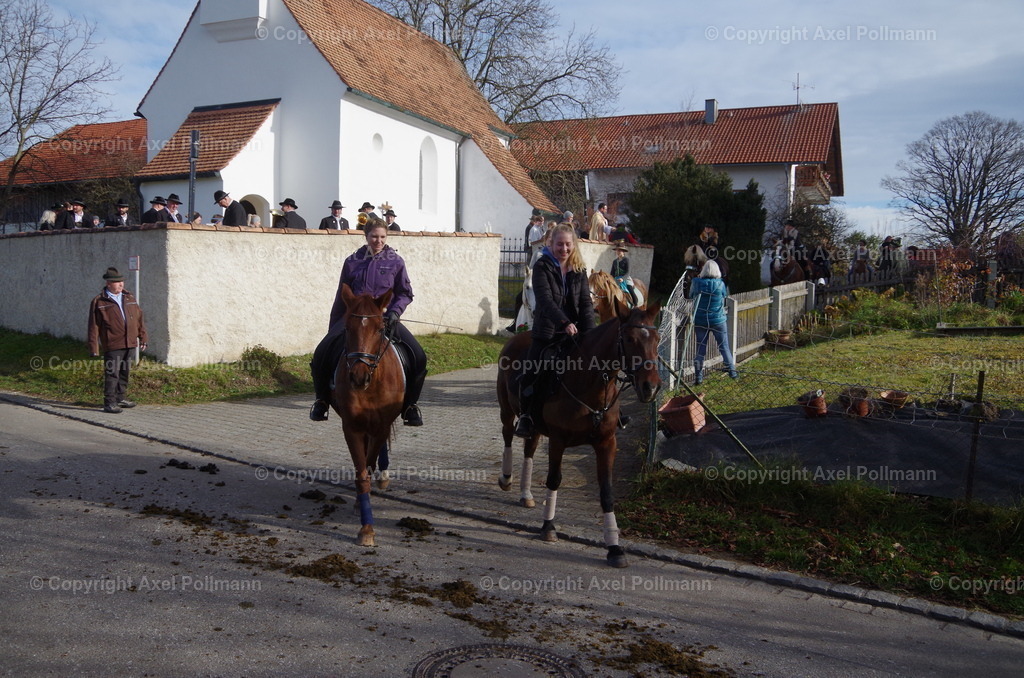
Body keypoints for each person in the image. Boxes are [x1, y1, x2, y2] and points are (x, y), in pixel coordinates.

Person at [309, 217, 427, 427]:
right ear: (366, 236)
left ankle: (410, 406)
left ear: (387, 237)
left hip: (384, 320)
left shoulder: (396, 262)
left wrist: (394, 312)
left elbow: (405, 293)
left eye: (382, 237)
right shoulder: (352, 261)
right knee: (321, 353)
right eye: (374, 236)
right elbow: (340, 296)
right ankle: (322, 401)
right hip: (354, 320)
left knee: (418, 356)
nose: (378, 241)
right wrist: (333, 328)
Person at [513, 222, 596, 438]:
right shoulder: (542, 266)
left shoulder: (579, 269)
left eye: (568, 245)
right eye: (560, 244)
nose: (564, 249)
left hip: (576, 332)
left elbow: (586, 303)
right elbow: (545, 301)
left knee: (598, 367)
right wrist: (563, 323)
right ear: (551, 243)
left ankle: (608, 412)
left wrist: (591, 334)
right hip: (548, 331)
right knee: (531, 372)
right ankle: (526, 416)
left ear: (574, 245)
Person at [87, 267, 148, 414]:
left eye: (121, 281)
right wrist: (93, 347)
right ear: (108, 283)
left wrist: (143, 337)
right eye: (117, 282)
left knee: (124, 372)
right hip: (113, 343)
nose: (121, 285)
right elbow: (93, 326)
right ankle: (109, 402)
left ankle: (120, 398)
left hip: (130, 342)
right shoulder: (99, 301)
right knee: (112, 373)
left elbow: (139, 319)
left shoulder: (129, 297)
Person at [690, 259, 737, 383]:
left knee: (700, 349)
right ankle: (732, 372)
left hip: (700, 320)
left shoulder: (696, 282)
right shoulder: (721, 284)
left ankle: (698, 378)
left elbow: (690, 295)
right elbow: (724, 296)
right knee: (724, 347)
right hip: (718, 320)